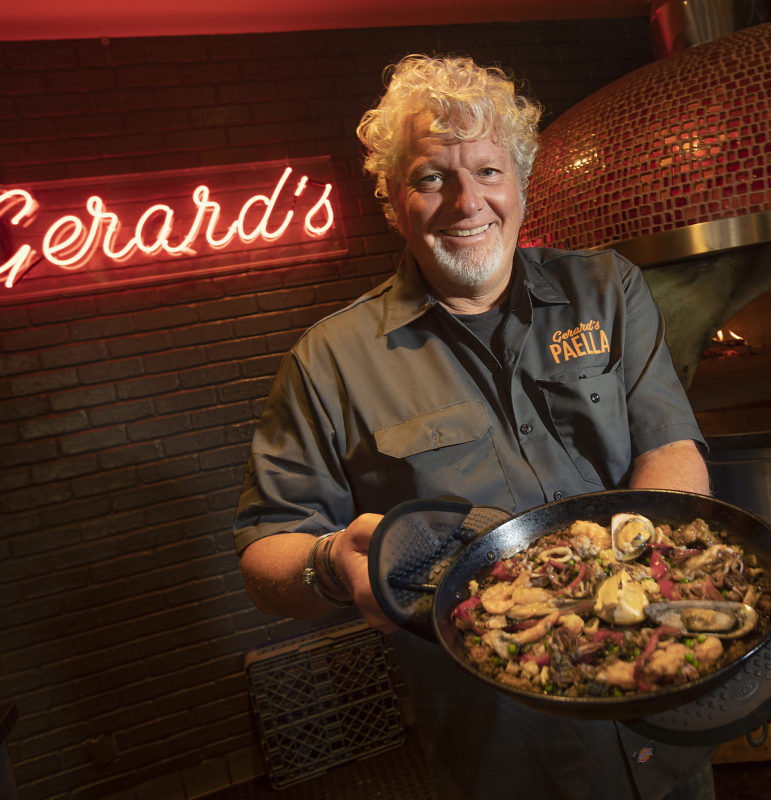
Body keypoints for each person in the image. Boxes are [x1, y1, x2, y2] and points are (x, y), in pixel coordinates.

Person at [233, 53, 715, 800]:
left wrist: (642, 585)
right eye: (432, 178)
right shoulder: (329, 360)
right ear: (394, 203)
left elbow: (668, 444)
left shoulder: (609, 289)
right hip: (504, 747)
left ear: (519, 184)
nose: (467, 202)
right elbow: (266, 554)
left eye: (489, 171)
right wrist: (331, 562)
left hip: (657, 704)